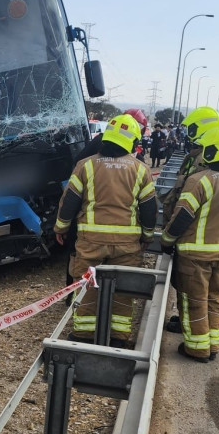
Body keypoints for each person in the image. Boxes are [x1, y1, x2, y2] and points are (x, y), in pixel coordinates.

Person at [54, 114, 157, 348]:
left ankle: (83, 336)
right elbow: (149, 209)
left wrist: (60, 228)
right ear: (131, 141)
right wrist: (148, 236)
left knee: (88, 287)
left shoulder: (86, 165)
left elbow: (69, 201)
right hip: (127, 245)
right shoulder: (140, 170)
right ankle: (120, 339)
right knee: (123, 289)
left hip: (90, 242)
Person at [160, 126, 219, 362]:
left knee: (193, 300)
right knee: (215, 298)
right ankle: (213, 345)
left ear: (212, 151)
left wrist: (166, 240)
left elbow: (182, 216)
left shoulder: (199, 181)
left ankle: (197, 349)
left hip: (194, 254)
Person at [159, 106, 219, 334]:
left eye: (193, 128)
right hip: (206, 239)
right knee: (208, 293)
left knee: (193, 291)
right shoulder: (199, 156)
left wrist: (169, 236)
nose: (188, 134)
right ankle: (204, 333)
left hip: (193, 237)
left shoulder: (204, 162)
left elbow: (187, 204)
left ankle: (196, 337)